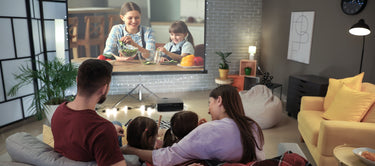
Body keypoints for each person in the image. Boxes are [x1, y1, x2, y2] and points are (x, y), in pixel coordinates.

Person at [122, 85, 265, 166]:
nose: (208, 110)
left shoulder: (211, 130)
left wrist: (131, 150)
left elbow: (166, 157)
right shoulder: (252, 126)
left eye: (210, 102)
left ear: (219, 100)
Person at [51, 59, 127, 166]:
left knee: (116, 124)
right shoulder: (103, 129)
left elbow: (80, 131)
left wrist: (109, 129)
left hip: (72, 156)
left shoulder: (59, 111)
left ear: (77, 80)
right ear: (104, 89)